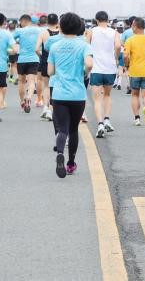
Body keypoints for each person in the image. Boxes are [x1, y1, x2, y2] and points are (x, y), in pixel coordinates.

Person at [48, 12, 93, 178]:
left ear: (62, 26)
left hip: (59, 93)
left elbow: (50, 71)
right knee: (74, 129)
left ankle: (60, 153)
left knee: (62, 129)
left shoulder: (55, 46)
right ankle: (71, 163)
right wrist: (85, 73)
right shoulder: (84, 45)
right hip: (77, 94)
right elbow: (89, 64)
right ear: (79, 26)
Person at [88, 11, 121, 137]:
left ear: (96, 20)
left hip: (96, 67)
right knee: (107, 95)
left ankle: (100, 124)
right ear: (108, 20)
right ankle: (107, 119)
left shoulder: (92, 31)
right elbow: (118, 46)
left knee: (97, 99)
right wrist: (116, 57)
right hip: (110, 67)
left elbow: (86, 46)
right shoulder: (114, 32)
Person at [123, 17, 145, 126]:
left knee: (135, 95)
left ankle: (137, 118)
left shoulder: (130, 40)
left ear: (135, 27)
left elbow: (125, 55)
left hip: (134, 71)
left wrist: (126, 64)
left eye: (132, 25)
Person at [14, 14, 42, 113]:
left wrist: (18, 41)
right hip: (34, 59)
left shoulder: (20, 31)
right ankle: (29, 97)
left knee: (21, 82)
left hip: (22, 59)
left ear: (23, 21)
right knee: (31, 82)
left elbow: (11, 39)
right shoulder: (39, 30)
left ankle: (22, 101)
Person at [36, 13, 60, 121]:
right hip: (58, 63)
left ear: (47, 22)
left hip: (45, 61)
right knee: (55, 86)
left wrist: (42, 55)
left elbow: (36, 49)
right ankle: (52, 109)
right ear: (57, 22)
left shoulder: (43, 33)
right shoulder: (61, 33)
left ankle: (45, 107)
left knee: (46, 86)